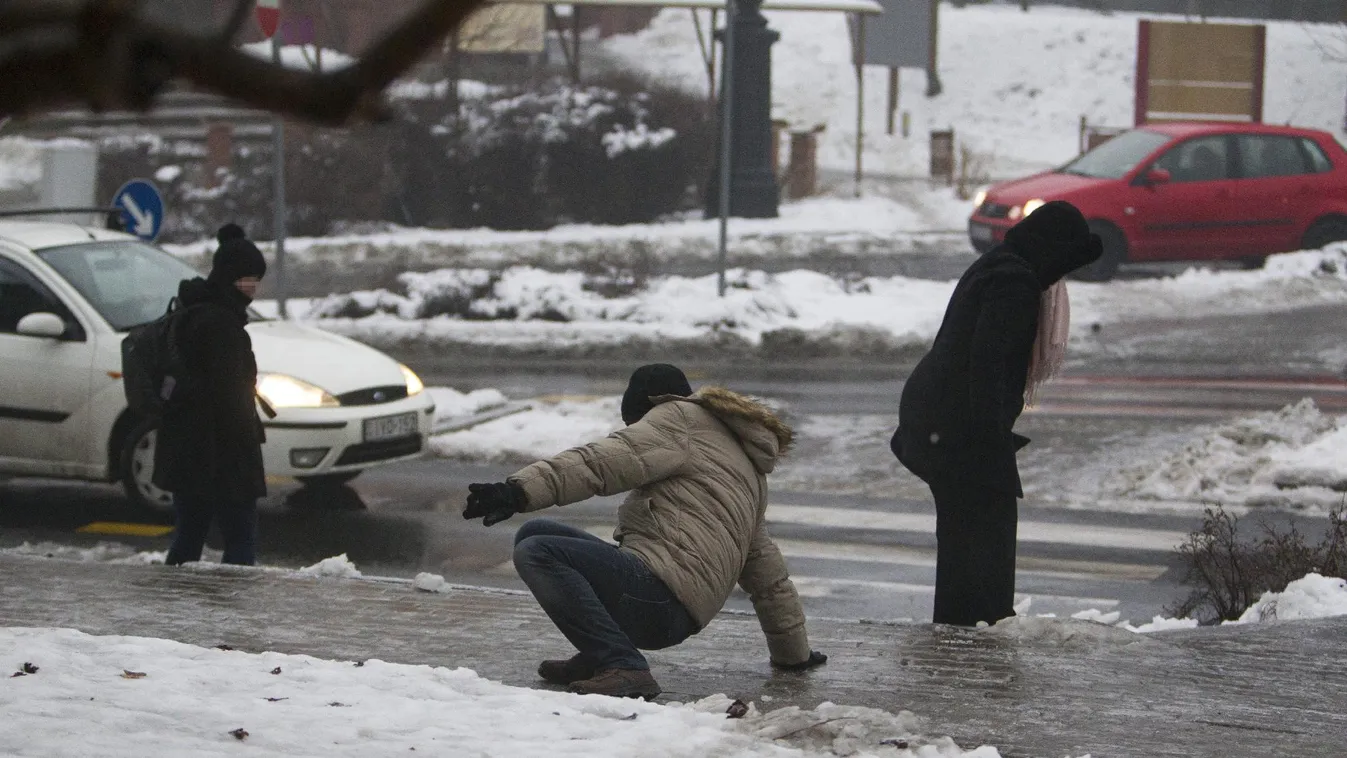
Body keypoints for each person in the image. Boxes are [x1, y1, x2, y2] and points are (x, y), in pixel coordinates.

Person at [463, 364, 827, 700]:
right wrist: (794, 656)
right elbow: (769, 577)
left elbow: (599, 463)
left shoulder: (676, 420)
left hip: (660, 600)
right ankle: (599, 654)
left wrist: (517, 491)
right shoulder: (740, 465)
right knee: (535, 532)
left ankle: (624, 665)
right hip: (674, 611)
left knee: (539, 551)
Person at [890, 201, 1102, 627]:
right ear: (1053, 251)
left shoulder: (1000, 265)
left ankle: (959, 630)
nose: (1062, 278)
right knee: (987, 534)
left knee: (963, 537)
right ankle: (980, 630)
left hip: (939, 421)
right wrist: (991, 448)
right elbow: (988, 366)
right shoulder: (1014, 284)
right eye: (1065, 264)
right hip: (956, 428)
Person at [156, 223, 268, 567]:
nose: (254, 287)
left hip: (187, 447)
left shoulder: (192, 309)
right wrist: (246, 451)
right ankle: (232, 610)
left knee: (190, 534)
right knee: (240, 538)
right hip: (220, 453)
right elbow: (229, 394)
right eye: (249, 278)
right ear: (232, 277)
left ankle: (175, 601)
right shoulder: (220, 325)